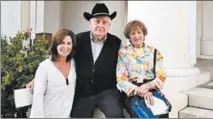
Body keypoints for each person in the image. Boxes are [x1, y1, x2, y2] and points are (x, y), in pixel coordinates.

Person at [27, 3, 124, 118]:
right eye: (97, 21)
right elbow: (60, 56)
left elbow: (125, 65)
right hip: (83, 93)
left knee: (116, 114)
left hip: (106, 92)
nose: (101, 25)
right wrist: (37, 78)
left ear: (109, 25)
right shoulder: (77, 39)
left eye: (105, 22)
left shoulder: (117, 43)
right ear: (90, 24)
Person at [116, 20, 169, 118]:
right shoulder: (123, 53)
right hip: (132, 90)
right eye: (133, 33)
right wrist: (139, 90)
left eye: (139, 32)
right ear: (129, 37)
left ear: (144, 34)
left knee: (161, 111)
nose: (136, 36)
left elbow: (162, 75)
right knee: (139, 112)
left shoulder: (154, 52)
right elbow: (121, 79)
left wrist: (148, 86)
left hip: (151, 87)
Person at [29, 29, 76, 118]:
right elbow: (37, 99)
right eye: (62, 42)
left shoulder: (74, 64)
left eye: (69, 43)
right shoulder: (45, 67)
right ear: (55, 44)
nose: (65, 46)